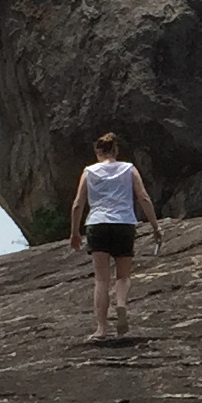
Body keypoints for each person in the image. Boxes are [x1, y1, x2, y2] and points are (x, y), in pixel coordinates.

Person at [75, 132, 161, 343]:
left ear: (99, 151)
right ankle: (121, 303)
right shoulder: (128, 169)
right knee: (123, 276)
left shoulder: (88, 172)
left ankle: (101, 329)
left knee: (101, 279)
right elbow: (143, 197)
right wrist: (155, 227)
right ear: (115, 150)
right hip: (124, 223)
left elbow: (78, 203)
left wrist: (74, 232)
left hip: (98, 223)